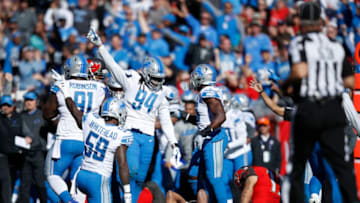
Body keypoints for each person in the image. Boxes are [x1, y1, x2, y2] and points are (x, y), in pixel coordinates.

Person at [87, 27, 180, 202]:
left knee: (139, 179)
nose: (158, 82)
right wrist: (100, 46)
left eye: (159, 78)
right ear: (145, 74)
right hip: (129, 132)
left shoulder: (161, 92)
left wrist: (173, 141)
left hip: (148, 137)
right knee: (129, 173)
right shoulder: (131, 81)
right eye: (154, 78)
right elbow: (113, 65)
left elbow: (166, 118)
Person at [287, 2, 358, 202]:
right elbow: (349, 81)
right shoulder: (334, 47)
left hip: (310, 114)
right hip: (331, 113)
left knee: (308, 170)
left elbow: (298, 75)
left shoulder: (299, 44)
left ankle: (313, 197)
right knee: (336, 173)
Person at [43, 55, 106, 203]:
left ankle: (68, 201)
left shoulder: (62, 84)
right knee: (77, 181)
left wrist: (57, 121)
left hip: (66, 139)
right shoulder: (99, 87)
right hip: (87, 141)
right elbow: (105, 113)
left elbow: (48, 113)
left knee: (51, 175)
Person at [57, 81, 133, 203]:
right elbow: (122, 164)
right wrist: (127, 193)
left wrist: (66, 93)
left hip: (81, 175)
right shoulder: (121, 134)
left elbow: (74, 110)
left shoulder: (91, 120)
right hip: (98, 180)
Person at [181, 64, 228, 203]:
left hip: (214, 139)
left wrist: (203, 134)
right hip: (207, 138)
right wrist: (186, 116)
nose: (193, 78)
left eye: (196, 75)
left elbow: (220, 117)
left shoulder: (208, 92)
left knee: (214, 178)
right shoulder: (204, 92)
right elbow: (204, 120)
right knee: (195, 174)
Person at [0, 95, 32, 203]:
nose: (5, 108)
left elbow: (26, 132)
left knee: (20, 179)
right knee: (6, 180)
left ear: (12, 107)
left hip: (17, 154)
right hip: (3, 155)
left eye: (7, 105)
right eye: (3, 105)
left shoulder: (19, 118)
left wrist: (28, 138)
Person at [18, 91, 48, 203]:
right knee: (25, 183)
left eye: (31, 100)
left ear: (36, 101)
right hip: (25, 154)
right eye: (27, 100)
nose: (28, 102)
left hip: (39, 153)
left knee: (40, 183)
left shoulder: (42, 115)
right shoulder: (21, 116)